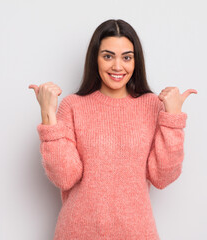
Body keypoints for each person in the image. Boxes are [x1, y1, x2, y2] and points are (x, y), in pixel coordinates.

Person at [29, 19, 197, 240]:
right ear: (95, 59)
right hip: (78, 233)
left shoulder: (152, 106)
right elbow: (65, 177)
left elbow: (162, 177)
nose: (118, 66)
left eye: (126, 57)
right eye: (108, 56)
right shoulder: (73, 106)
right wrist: (48, 117)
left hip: (136, 233)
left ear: (136, 61)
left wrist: (173, 119)